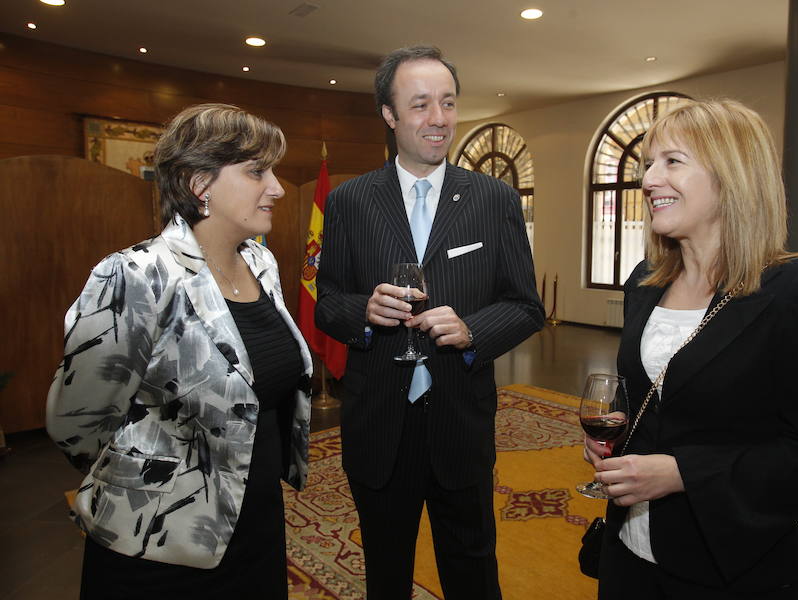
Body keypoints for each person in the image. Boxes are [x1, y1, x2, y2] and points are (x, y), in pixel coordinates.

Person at [584, 98, 798, 599]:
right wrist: (617, 438)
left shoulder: (797, 289)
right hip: (627, 556)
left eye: (672, 161)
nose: (647, 180)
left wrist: (683, 473)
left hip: (729, 570)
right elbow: (652, 399)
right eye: (648, 163)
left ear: (731, 176)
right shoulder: (644, 284)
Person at [46, 103, 313, 600]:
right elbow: (76, 424)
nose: (276, 187)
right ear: (199, 182)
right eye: (258, 171)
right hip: (159, 546)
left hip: (254, 523)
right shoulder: (134, 275)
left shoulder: (261, 261)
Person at [315, 46, 544, 599]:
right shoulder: (349, 201)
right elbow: (326, 301)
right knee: (386, 573)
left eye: (447, 103)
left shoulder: (494, 200)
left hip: (459, 422)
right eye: (420, 105)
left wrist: (472, 332)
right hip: (378, 424)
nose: (438, 119)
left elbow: (525, 305)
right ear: (389, 116)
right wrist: (363, 311)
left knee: (471, 568)